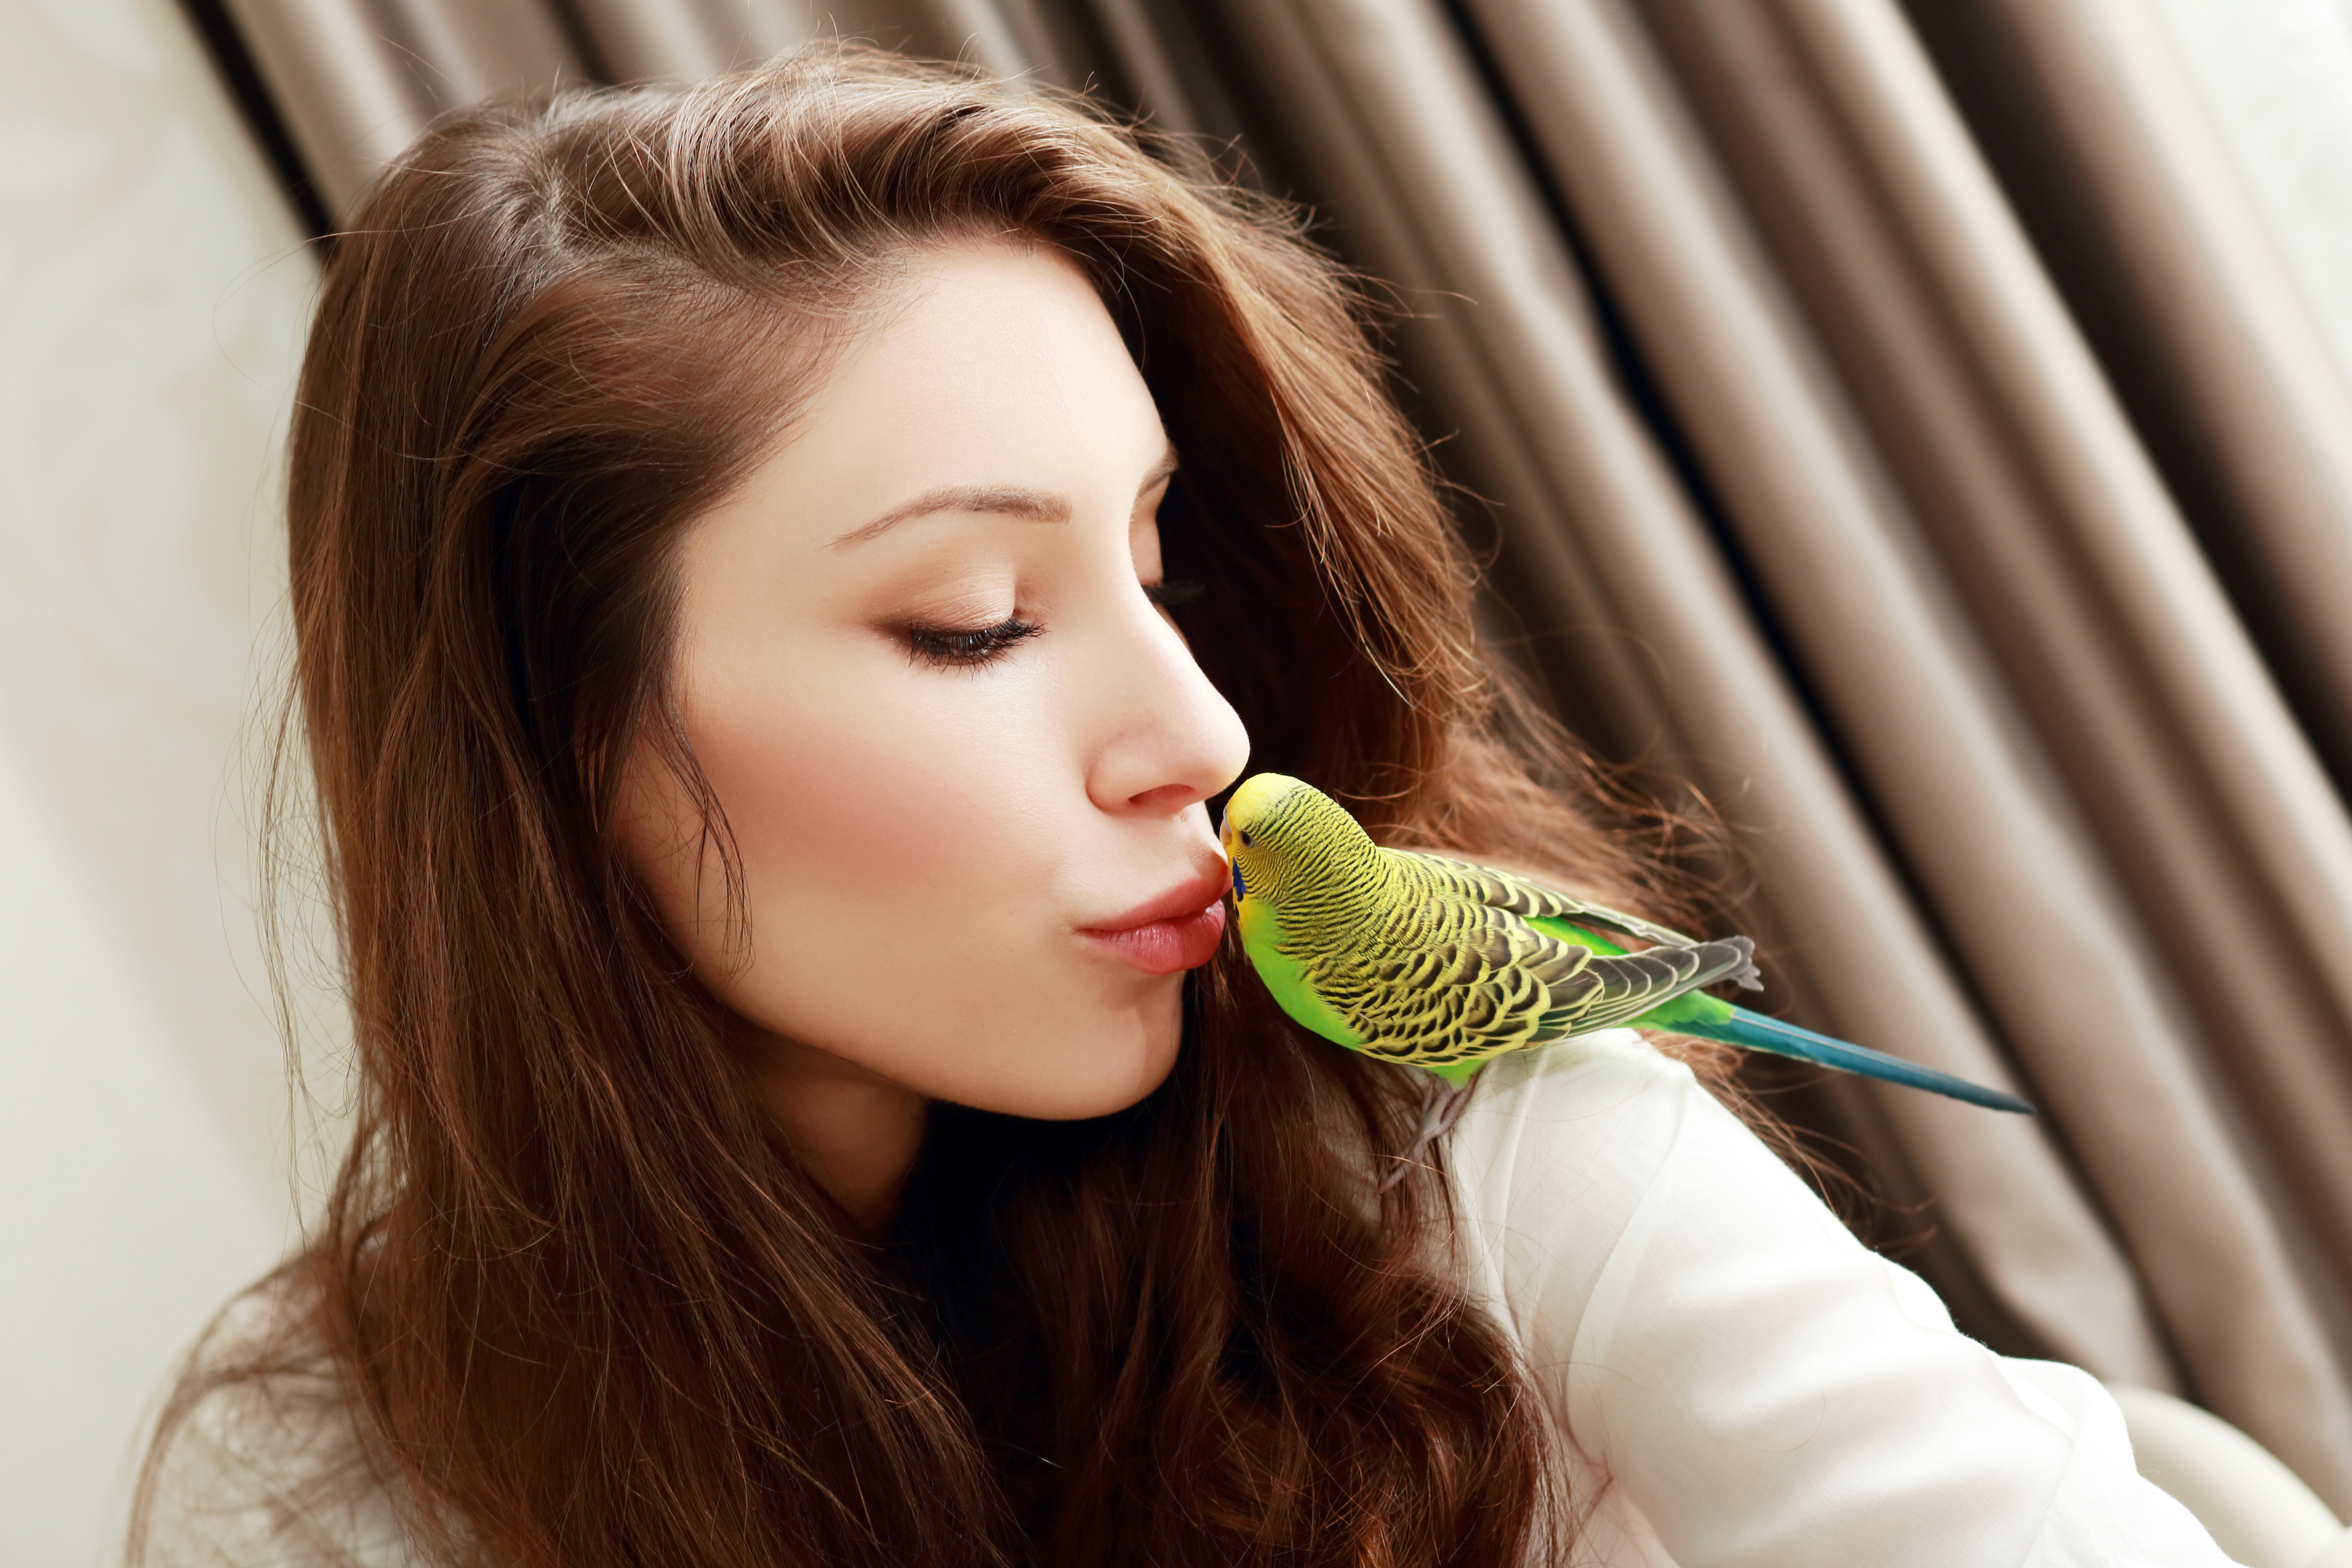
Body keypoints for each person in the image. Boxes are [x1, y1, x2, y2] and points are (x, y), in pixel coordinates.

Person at [134, 43, 2235, 1568]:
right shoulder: (335, 1474)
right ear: (554, 747)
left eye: (1154, 563)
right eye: (970, 619)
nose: (1208, 733)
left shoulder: (1480, 1162)